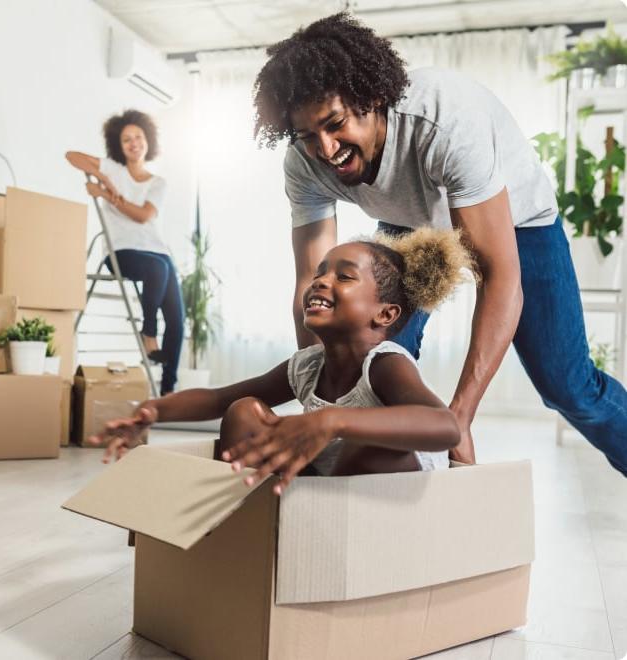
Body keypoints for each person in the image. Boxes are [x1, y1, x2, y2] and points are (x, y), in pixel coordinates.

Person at [251, 12, 627, 476]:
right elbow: (311, 288)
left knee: (568, 387)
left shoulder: (443, 123)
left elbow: (499, 275)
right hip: (407, 219)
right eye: (309, 136)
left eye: (336, 125)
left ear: (372, 100)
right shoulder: (304, 163)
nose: (326, 150)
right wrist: (317, 404)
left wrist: (459, 418)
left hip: (518, 222)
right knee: (372, 355)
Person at [92, 229, 470, 493]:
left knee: (363, 443)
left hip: (394, 486)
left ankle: (320, 518)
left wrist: (332, 419)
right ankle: (259, 518)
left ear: (384, 315)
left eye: (344, 277)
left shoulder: (385, 364)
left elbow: (446, 427)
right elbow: (217, 400)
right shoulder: (308, 366)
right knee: (244, 412)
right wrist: (154, 411)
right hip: (325, 479)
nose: (321, 281)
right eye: (320, 273)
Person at [66, 109, 184, 395]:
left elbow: (144, 215)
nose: (133, 143)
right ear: (118, 146)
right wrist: (102, 177)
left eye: (138, 137)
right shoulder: (113, 169)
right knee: (159, 268)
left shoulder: (158, 183)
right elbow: (72, 156)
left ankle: (168, 390)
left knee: (177, 320)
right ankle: (148, 332)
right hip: (122, 252)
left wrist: (107, 196)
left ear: (148, 141)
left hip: (156, 252)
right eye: (126, 139)